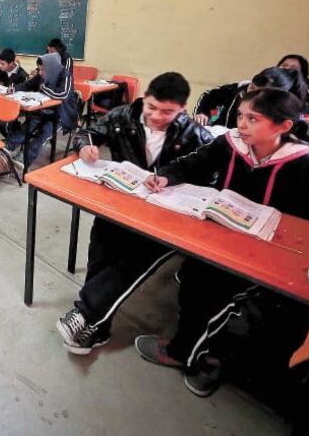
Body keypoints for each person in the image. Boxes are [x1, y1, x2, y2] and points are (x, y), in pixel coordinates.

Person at [136, 89, 309, 397]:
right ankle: (204, 354)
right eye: (239, 116)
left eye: (253, 118)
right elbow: (193, 163)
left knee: (230, 299)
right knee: (196, 279)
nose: (242, 125)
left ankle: (194, 354)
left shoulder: (307, 163)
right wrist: (166, 177)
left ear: (283, 127)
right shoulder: (230, 144)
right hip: (221, 240)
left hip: (273, 254)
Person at [55, 73, 214, 354]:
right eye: (152, 107)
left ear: (182, 108)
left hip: (162, 218)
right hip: (121, 204)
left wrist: (172, 183)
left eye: (168, 112)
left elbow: (207, 172)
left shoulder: (194, 134)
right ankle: (98, 328)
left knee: (130, 264)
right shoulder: (122, 117)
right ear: (145, 99)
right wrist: (85, 147)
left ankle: (86, 315)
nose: (156, 116)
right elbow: (86, 133)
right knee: (100, 252)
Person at [3, 52, 79, 167]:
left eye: (43, 70)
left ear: (51, 67)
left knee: (44, 133)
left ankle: (24, 158)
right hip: (43, 110)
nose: (40, 73)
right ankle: (8, 147)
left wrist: (44, 88)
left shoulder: (65, 75)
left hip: (62, 114)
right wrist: (14, 89)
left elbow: (63, 94)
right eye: (39, 70)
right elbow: (28, 84)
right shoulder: (42, 74)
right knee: (28, 126)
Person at [192, 67, 308, 129]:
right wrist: (202, 113)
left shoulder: (285, 116)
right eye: (252, 87)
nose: (250, 93)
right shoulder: (240, 89)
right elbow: (208, 96)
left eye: (258, 92)